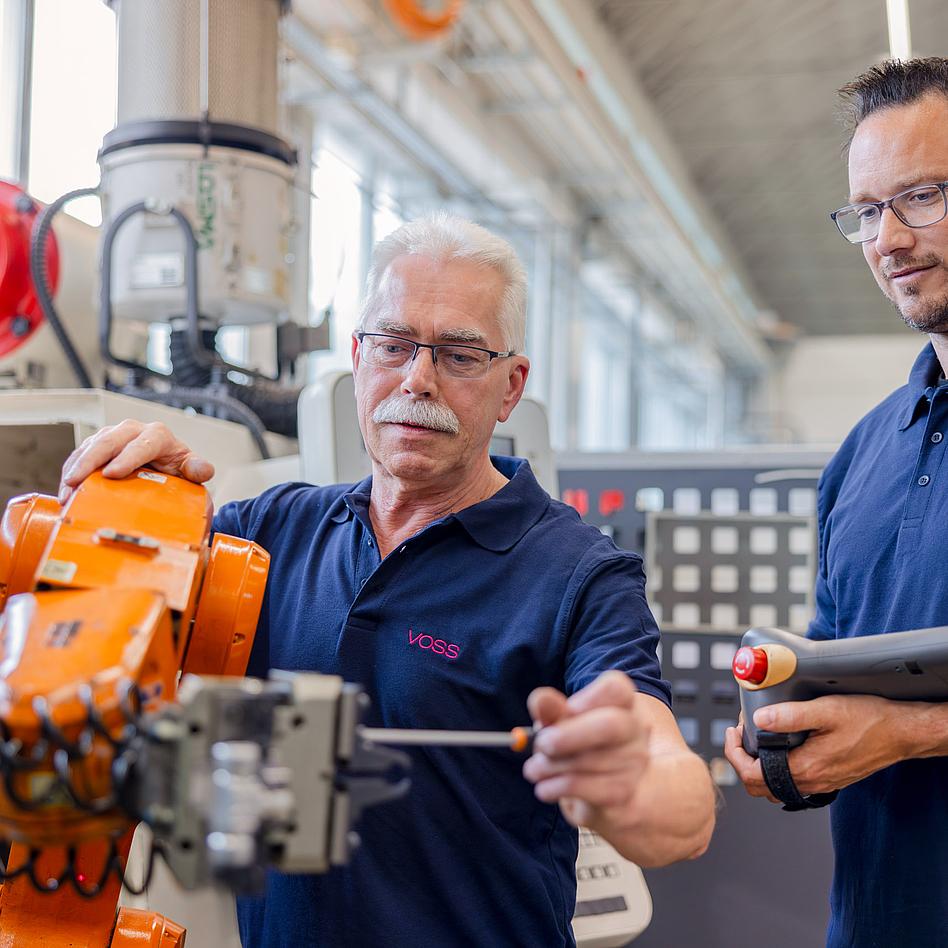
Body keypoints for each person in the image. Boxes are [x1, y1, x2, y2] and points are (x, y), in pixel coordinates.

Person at [60, 212, 715, 947]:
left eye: (461, 355)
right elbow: (78, 648)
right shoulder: (266, 535)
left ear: (511, 387)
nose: (418, 380)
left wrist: (629, 789)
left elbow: (678, 803)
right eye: (394, 345)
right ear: (358, 358)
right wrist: (127, 508)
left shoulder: (578, 575)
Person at [724, 58, 948, 947]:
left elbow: (886, 724)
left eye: (922, 195)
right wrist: (792, 747)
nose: (887, 238)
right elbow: (840, 668)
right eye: (866, 211)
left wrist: (904, 735)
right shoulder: (862, 456)